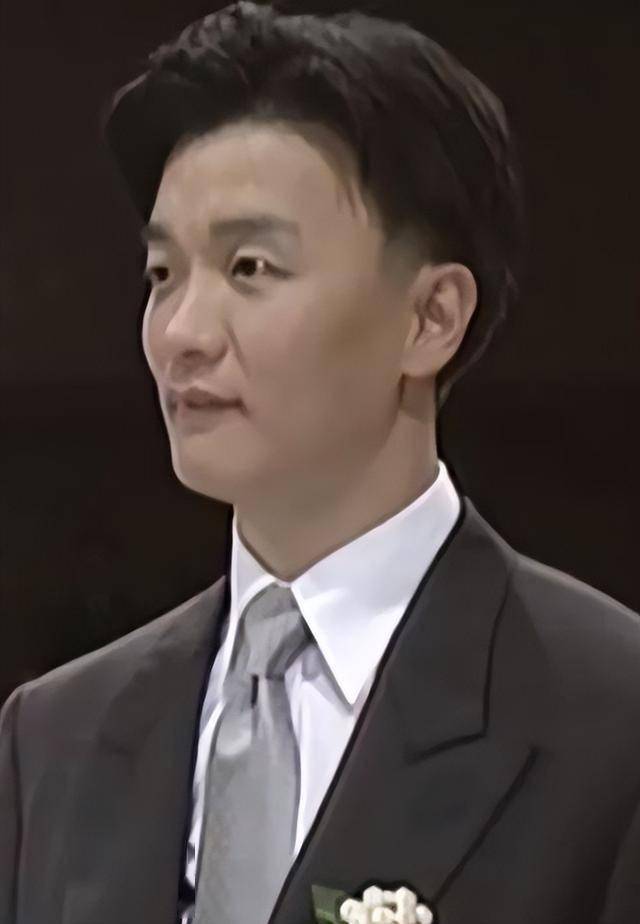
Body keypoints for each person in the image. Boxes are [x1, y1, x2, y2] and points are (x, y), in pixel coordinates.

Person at [1, 3, 639, 923]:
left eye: (250, 268)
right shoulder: (54, 737)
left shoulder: (609, 720)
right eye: (162, 275)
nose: (180, 333)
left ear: (431, 318)